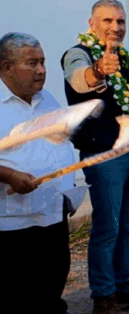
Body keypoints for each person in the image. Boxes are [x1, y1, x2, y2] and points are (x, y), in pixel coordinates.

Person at [61, 0, 129, 314]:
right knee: (108, 227)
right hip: (104, 155)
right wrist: (97, 70)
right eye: (107, 21)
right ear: (92, 24)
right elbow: (80, 78)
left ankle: (127, 287)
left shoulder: (125, 58)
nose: (115, 27)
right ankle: (103, 297)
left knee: (128, 226)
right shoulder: (78, 54)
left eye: (120, 21)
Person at [0, 32, 77, 314]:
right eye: (32, 63)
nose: (42, 70)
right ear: (7, 68)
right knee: (16, 294)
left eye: (42, 62)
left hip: (51, 213)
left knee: (51, 287)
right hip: (11, 223)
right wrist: (8, 175)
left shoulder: (48, 99)